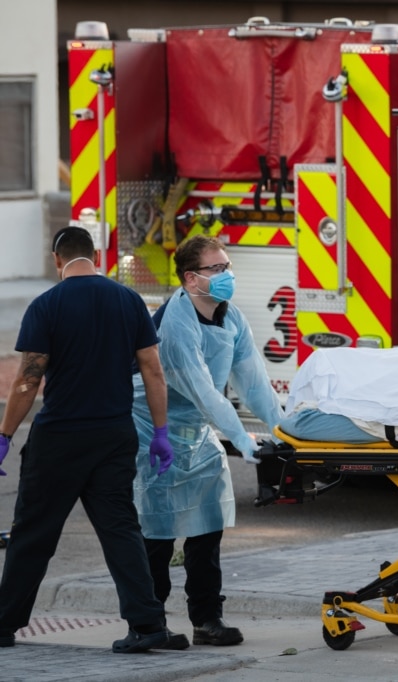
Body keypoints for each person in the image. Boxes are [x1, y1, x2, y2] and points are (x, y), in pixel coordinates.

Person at [0, 225, 175, 653]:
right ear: (96, 256)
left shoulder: (46, 305)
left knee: (33, 533)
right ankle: (147, 624)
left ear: (56, 260)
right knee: (121, 529)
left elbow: (28, 380)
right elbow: (153, 369)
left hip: (59, 438)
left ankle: (4, 624)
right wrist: (161, 432)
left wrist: (4, 435)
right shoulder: (129, 300)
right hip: (114, 435)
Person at [131, 234, 283, 648]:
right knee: (157, 533)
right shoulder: (175, 324)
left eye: (227, 266)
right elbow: (203, 391)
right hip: (154, 431)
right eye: (216, 269)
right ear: (190, 278)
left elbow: (254, 383)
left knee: (208, 527)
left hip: (197, 431)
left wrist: (284, 430)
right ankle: (149, 622)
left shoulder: (231, 317)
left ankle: (207, 619)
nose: (226, 274)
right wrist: (241, 438)